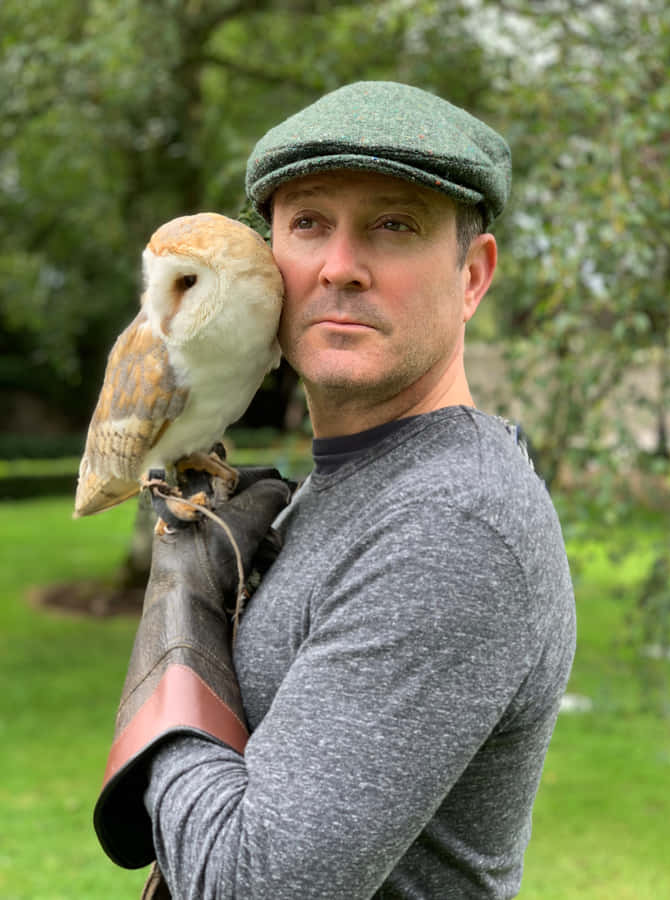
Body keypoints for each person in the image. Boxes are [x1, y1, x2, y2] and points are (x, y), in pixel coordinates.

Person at [93, 81, 576, 899]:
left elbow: (249, 884)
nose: (340, 267)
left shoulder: (451, 524)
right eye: (308, 223)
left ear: (472, 276)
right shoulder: (351, 480)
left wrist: (176, 659)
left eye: (394, 226)